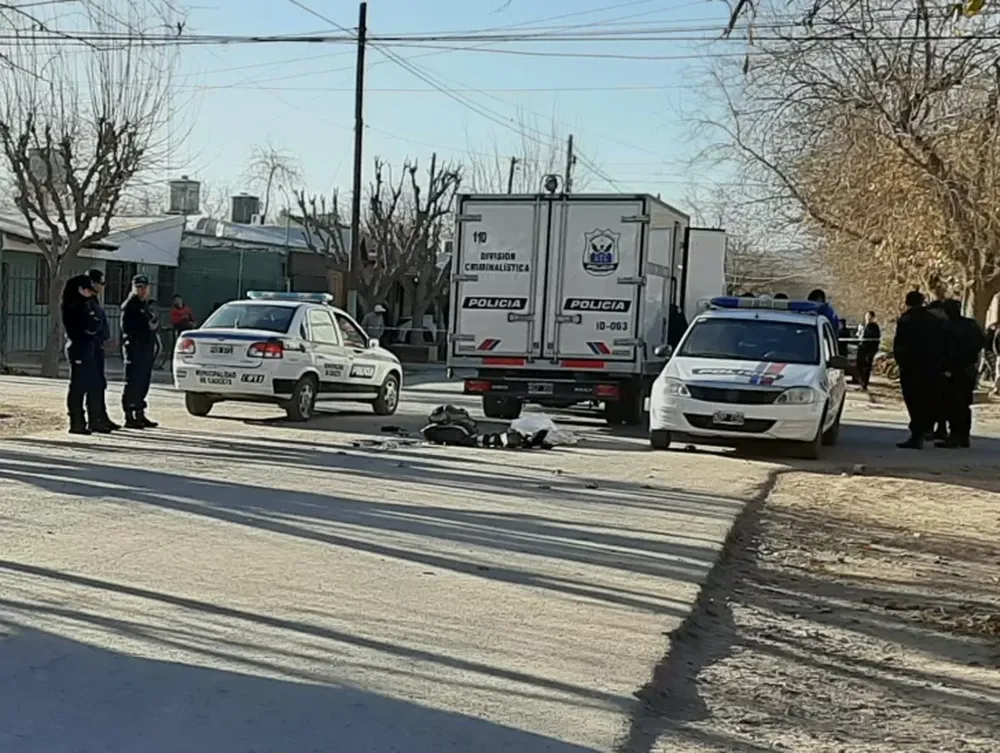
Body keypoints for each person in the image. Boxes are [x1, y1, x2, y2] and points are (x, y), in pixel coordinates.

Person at [893, 290, 946, 449]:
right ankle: (925, 429)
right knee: (927, 399)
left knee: (913, 400)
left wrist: (901, 364)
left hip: (911, 367)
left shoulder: (906, 320)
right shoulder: (934, 320)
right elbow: (942, 344)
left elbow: (899, 345)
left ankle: (917, 434)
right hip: (931, 367)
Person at [937, 300, 985, 448]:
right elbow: (982, 342)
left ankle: (955, 436)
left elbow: (943, 350)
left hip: (953, 370)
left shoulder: (946, 327)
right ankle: (964, 436)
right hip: (969, 368)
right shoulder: (971, 325)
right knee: (964, 404)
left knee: (952, 404)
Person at [61, 275, 102, 435]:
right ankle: (76, 421)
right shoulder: (73, 306)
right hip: (78, 347)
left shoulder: (84, 305)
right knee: (78, 386)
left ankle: (82, 421)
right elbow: (87, 326)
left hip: (86, 347)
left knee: (85, 384)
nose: (89, 294)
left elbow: (95, 323)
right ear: (80, 289)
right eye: (87, 290)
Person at [120, 275, 159, 429]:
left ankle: (140, 413)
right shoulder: (130, 305)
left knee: (143, 381)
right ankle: (129, 415)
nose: (141, 290)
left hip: (146, 348)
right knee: (133, 381)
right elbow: (127, 329)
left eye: (143, 287)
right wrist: (146, 328)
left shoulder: (145, 305)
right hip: (134, 347)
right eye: (138, 287)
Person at [86, 269, 120, 431]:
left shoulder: (95, 301)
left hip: (98, 347)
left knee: (100, 383)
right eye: (101, 283)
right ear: (93, 283)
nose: (103, 286)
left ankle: (101, 416)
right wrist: (100, 340)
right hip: (90, 348)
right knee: (93, 384)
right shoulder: (86, 302)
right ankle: (94, 419)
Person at [855, 311, 881, 391]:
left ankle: (864, 385)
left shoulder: (874, 327)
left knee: (866, 367)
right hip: (862, 348)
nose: (867, 318)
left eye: (869, 317)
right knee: (859, 365)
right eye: (866, 316)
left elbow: (874, 338)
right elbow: (859, 336)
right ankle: (861, 383)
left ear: (873, 318)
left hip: (869, 350)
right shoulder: (864, 325)